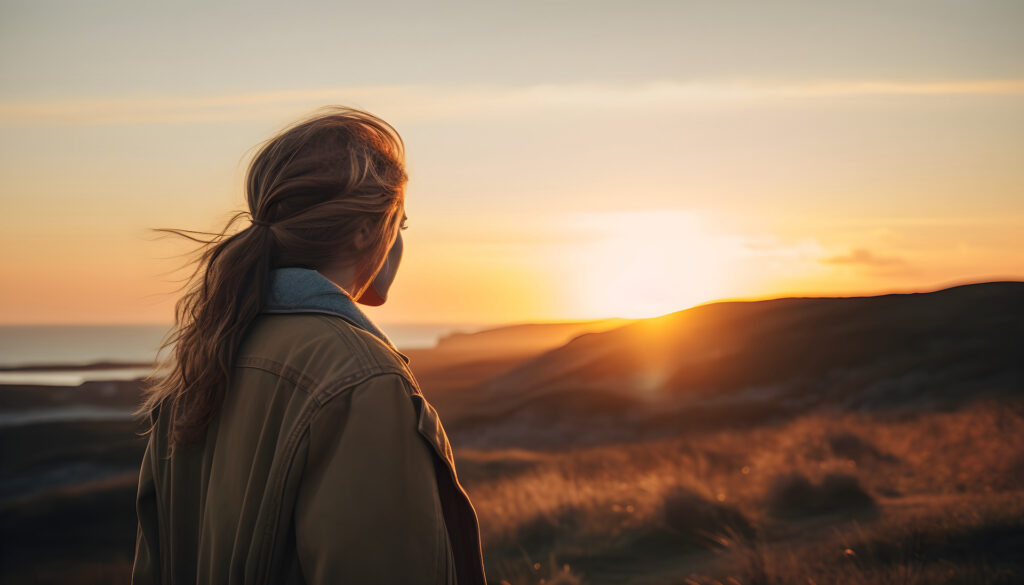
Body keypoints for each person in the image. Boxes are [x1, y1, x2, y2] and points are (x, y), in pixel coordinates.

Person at [130, 106, 487, 584]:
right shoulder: (362, 378)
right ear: (365, 231)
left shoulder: (206, 357)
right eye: (398, 224)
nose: (398, 242)